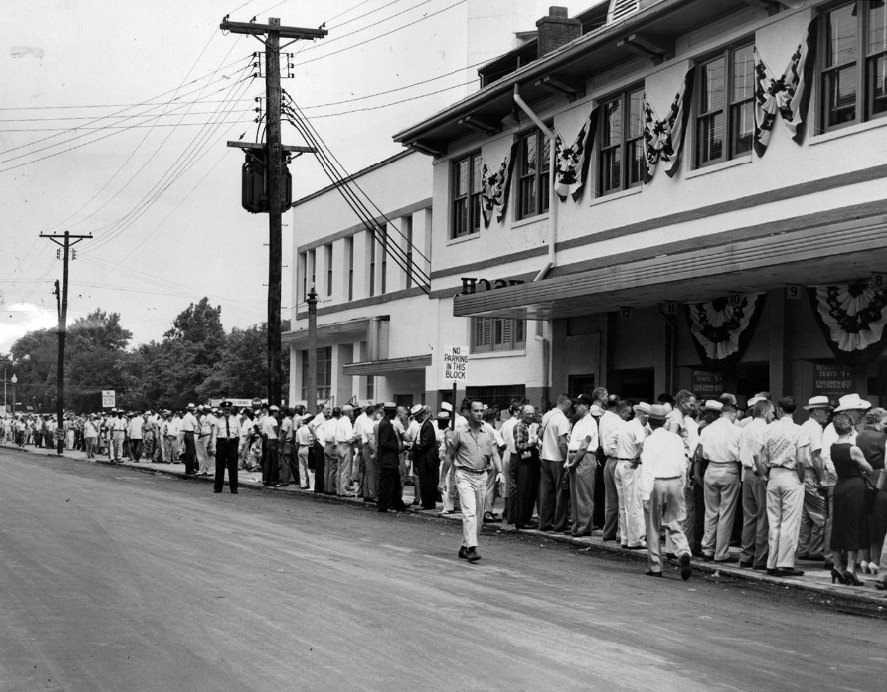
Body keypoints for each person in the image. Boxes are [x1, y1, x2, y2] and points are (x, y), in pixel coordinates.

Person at [440, 400, 504, 562]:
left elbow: (495, 453)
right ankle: (472, 548)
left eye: (481, 411)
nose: (479, 414)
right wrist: (442, 480)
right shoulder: (459, 432)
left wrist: (501, 472)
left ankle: (464, 546)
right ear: (468, 412)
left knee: (478, 515)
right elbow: (449, 456)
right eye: (476, 411)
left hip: (482, 476)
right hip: (464, 475)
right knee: (469, 512)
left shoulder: (488, 432)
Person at [639, 404, 693, 580]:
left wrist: (645, 494)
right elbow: (683, 465)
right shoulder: (676, 439)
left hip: (657, 483)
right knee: (675, 522)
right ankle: (683, 551)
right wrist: (681, 484)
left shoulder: (650, 441)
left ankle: (655, 565)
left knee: (653, 526)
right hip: (675, 482)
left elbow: (647, 468)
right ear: (664, 422)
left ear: (649, 423)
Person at [759, 396, 809, 577]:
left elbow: (761, 457)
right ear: (794, 410)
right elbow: (801, 459)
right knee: (790, 521)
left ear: (779, 410)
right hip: (791, 475)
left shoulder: (769, 429)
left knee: (774, 520)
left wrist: (765, 475)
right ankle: (785, 563)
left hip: (774, 474)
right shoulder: (799, 430)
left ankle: (772, 562)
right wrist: (801, 478)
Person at [829, 412, 874, 585]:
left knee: (838, 525)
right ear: (851, 428)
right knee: (854, 525)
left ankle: (836, 566)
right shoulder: (853, 449)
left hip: (840, 486)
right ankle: (850, 568)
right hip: (855, 488)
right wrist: (862, 469)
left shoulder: (833, 447)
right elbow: (869, 469)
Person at [697, 396, 742, 563]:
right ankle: (721, 552)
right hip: (729, 469)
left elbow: (701, 453)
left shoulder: (707, 430)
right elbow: (742, 455)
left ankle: (707, 548)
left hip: (711, 469)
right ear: (733, 414)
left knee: (711, 512)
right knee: (726, 513)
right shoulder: (737, 431)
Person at [738, 398, 773, 570]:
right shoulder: (765, 429)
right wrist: (764, 474)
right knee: (763, 516)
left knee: (749, 516)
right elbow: (759, 454)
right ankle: (760, 558)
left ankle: (746, 555)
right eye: (772, 412)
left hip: (746, 473)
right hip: (759, 472)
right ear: (765, 412)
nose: (773, 416)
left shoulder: (746, 428)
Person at [610, 402, 650, 549]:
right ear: (644, 416)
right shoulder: (638, 427)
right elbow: (640, 444)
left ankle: (625, 538)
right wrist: (635, 458)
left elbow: (610, 440)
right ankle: (636, 540)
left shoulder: (625, 425)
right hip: (631, 465)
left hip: (620, 464)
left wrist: (620, 453)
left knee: (623, 505)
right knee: (634, 504)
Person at [797, 396, 831, 563]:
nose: (828, 414)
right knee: (819, 514)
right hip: (813, 473)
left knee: (804, 515)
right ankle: (815, 549)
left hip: (803, 473)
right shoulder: (815, 428)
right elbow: (816, 456)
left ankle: (803, 548)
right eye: (826, 411)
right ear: (816, 411)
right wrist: (823, 478)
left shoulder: (805, 425)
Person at [855, 408, 887, 576]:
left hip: (863, 480)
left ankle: (865, 560)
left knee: (864, 522)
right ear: (877, 421)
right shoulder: (882, 438)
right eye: (884, 421)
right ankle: (875, 561)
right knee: (878, 523)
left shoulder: (859, 436)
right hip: (879, 480)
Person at [538, 394, 572, 533]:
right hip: (558, 459)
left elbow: (540, 434)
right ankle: (560, 523)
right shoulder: (562, 419)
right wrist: (567, 460)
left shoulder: (547, 415)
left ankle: (545, 522)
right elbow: (562, 442)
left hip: (546, 457)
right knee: (561, 493)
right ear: (567, 403)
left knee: (547, 492)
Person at [565, 394, 598, 537]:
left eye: (579, 404)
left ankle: (584, 526)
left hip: (584, 457)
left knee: (584, 494)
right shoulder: (578, 422)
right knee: (575, 494)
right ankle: (576, 524)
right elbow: (573, 443)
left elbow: (584, 444)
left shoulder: (590, 422)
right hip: (574, 456)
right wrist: (569, 461)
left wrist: (574, 462)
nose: (576, 407)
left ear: (586, 406)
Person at [512, 404, 540, 529]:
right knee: (523, 491)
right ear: (522, 414)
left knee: (531, 490)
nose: (531, 416)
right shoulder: (520, 426)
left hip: (532, 459)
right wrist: (531, 444)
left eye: (532, 413)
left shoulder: (532, 426)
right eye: (528, 413)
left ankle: (527, 518)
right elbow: (518, 446)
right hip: (524, 460)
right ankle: (521, 520)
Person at [376, 403, 406, 513]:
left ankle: (396, 504)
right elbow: (383, 442)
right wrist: (397, 446)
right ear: (391, 412)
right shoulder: (386, 424)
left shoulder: (386, 423)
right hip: (388, 459)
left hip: (389, 459)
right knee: (388, 484)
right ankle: (385, 505)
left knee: (394, 483)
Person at [412, 405, 439, 510]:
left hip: (427, 459)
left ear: (422, 415)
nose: (416, 419)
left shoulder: (427, 425)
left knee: (428, 482)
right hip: (424, 459)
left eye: (417, 417)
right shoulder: (423, 425)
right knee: (424, 481)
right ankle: (426, 502)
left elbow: (425, 443)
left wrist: (415, 447)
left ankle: (428, 503)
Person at [214, 401, 240, 494]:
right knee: (219, 466)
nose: (227, 411)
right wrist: (213, 448)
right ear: (222, 409)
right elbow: (214, 435)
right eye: (225, 409)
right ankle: (218, 487)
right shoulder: (218, 421)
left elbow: (240, 433)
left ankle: (234, 488)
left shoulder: (235, 420)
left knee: (233, 466)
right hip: (221, 443)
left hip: (232, 443)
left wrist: (240, 447)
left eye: (229, 409)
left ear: (231, 409)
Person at [295, 412, 315, 489]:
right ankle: (311, 484)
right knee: (310, 467)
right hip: (308, 448)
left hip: (300, 448)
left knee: (301, 468)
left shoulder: (299, 430)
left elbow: (296, 442)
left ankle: (303, 484)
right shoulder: (310, 429)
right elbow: (312, 440)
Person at [180, 403, 199, 476]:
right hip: (190, 433)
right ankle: (190, 469)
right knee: (191, 453)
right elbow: (196, 424)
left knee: (188, 452)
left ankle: (188, 469)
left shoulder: (185, 416)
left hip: (186, 434)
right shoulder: (192, 417)